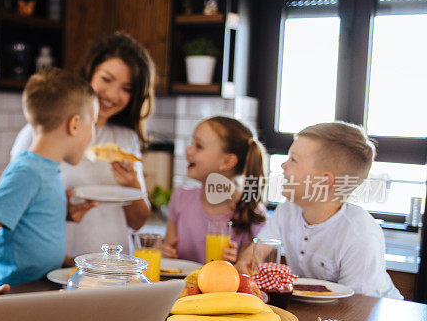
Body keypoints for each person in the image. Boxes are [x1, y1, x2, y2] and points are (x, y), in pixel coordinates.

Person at [11, 32, 155, 261]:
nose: (113, 95)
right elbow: (13, 212)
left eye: (126, 88)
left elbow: (137, 223)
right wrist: (61, 210)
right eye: (107, 80)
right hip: (60, 266)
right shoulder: (39, 134)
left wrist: (133, 185)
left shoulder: (126, 139)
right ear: (90, 72)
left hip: (115, 269)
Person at [0, 68, 98, 296]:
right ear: (74, 124)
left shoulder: (47, 169)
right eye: (93, 123)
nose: (94, 135)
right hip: (16, 292)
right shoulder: (27, 171)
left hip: (40, 288)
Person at [236, 122, 402, 299]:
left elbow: (358, 306)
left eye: (293, 159)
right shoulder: (287, 210)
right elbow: (259, 249)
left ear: (324, 181)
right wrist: (246, 261)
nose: (284, 165)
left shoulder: (360, 236)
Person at [161, 116, 267, 264]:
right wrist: (164, 251)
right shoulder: (180, 197)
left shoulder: (251, 213)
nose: (188, 150)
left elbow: (249, 274)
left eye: (198, 146)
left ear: (227, 161)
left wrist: (237, 262)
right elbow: (168, 249)